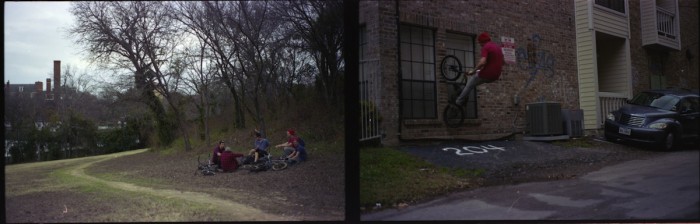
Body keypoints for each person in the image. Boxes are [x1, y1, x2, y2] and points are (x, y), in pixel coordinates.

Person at [455, 31, 505, 106]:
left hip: (488, 74)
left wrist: (473, 71)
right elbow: (503, 62)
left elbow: (482, 62)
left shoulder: (486, 47)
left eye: (480, 43)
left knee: (470, 84)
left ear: (482, 42)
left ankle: (458, 101)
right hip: (496, 75)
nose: (480, 45)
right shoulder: (498, 47)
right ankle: (466, 93)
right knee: (478, 73)